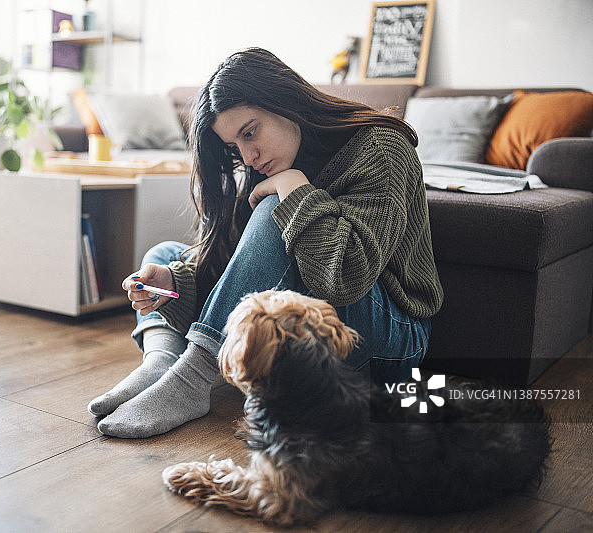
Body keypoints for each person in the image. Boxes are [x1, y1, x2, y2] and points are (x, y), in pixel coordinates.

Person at [88, 47, 443, 438]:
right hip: (308, 319)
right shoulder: (271, 159)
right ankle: (161, 363)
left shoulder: (381, 148)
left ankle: (192, 379)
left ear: (286, 102)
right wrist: (178, 282)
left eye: (249, 133)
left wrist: (293, 188)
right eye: (234, 146)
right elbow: (249, 267)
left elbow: (343, 279)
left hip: (386, 342)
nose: (248, 156)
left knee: (277, 208)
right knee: (166, 257)